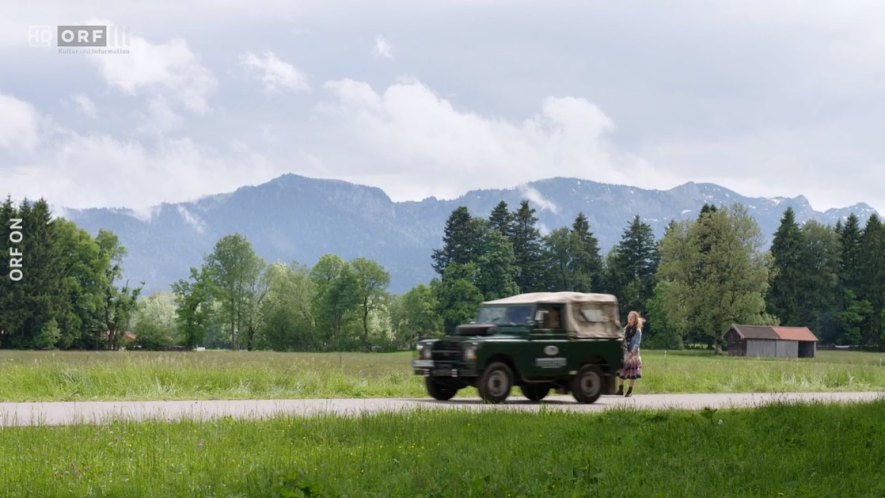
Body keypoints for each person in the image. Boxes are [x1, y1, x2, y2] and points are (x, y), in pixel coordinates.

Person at [616, 311, 643, 397]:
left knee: (632, 373)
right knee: (621, 370)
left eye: (632, 318)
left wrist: (631, 353)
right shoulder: (626, 328)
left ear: (635, 319)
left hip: (633, 355)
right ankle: (620, 390)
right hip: (625, 352)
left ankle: (630, 391)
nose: (630, 319)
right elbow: (622, 338)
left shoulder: (638, 331)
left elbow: (637, 343)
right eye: (629, 317)